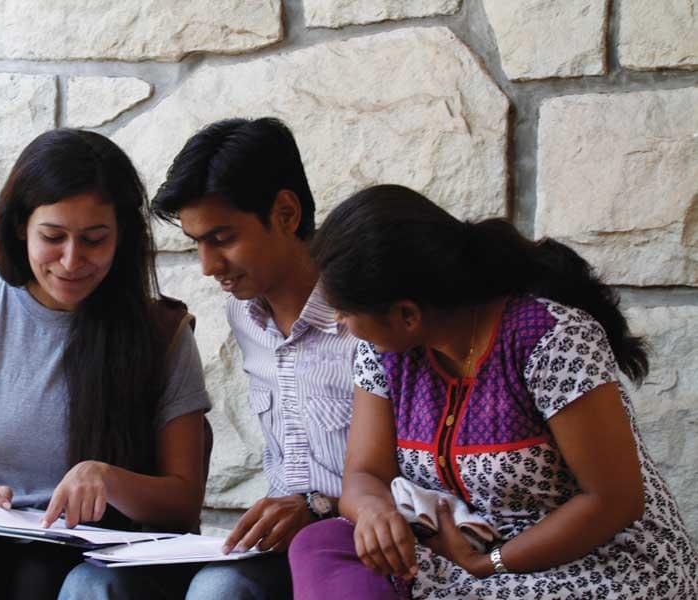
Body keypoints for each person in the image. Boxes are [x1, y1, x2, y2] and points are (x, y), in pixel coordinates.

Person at [288, 184, 698, 599]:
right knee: (322, 544)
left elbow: (612, 502)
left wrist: (492, 562)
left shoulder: (550, 339)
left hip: (594, 563)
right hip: (465, 550)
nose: (339, 323)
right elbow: (365, 474)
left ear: (407, 314)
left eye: (345, 312)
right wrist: (374, 511)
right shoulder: (384, 355)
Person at [0, 128, 211, 600]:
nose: (70, 260)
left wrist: (108, 479)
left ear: (122, 237)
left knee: (45, 576)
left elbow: (182, 503)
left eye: (94, 240)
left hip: (84, 547)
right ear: (20, 227)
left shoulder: (160, 334)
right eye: (52, 237)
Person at [60, 117, 358, 599]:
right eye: (196, 243)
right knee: (96, 582)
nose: (207, 266)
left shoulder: (364, 318)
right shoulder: (244, 314)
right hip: (278, 552)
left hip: (358, 545)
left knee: (219, 590)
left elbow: (421, 470)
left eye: (222, 239)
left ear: (286, 213)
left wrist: (319, 507)